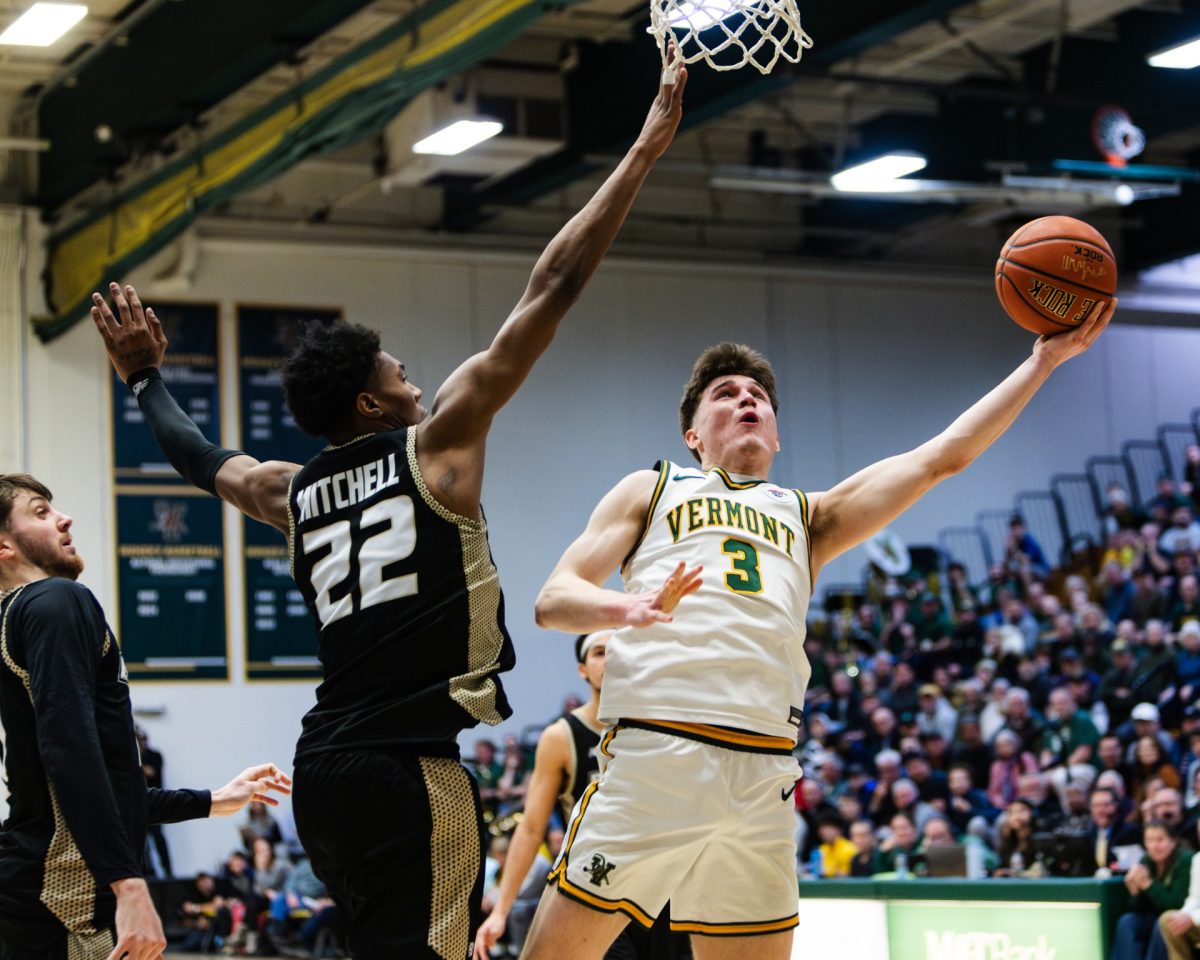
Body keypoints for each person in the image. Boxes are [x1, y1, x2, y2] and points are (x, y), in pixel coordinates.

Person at [91, 57, 688, 960]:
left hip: (323, 772)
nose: (410, 374)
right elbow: (552, 289)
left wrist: (143, 380)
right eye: (396, 371)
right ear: (372, 405)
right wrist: (644, 149)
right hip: (413, 769)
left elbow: (200, 459)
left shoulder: (291, 493)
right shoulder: (438, 451)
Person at [522, 300, 1112, 957]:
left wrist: (1041, 362)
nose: (747, 400)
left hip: (763, 775)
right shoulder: (653, 489)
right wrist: (627, 608)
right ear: (692, 433)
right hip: (659, 756)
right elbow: (553, 599)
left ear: (776, 435)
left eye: (759, 396)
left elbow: (943, 457)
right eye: (726, 394)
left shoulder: (811, 517)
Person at [0, 473, 291, 960]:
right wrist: (130, 887)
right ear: (4, 545)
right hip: (67, 894)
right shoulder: (58, 601)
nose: (63, 517)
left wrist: (212, 800)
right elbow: (70, 754)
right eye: (40, 512)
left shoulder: (21, 613)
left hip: (44, 883)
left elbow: (91, 782)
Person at [1112, 821, 1193, 960]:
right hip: (1154, 917)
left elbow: (1176, 904)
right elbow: (1138, 908)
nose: (1155, 846)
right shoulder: (1146, 860)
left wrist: (1148, 884)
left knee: (1163, 923)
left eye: (1160, 840)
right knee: (1128, 921)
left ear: (1173, 841)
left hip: (1182, 918)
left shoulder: (1186, 860)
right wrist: (1135, 892)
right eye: (1149, 840)